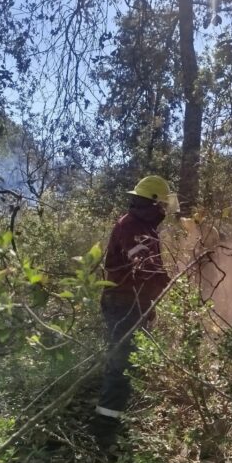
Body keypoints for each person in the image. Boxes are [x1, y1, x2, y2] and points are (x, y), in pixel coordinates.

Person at [92, 175, 172, 447]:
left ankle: (119, 419)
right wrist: (169, 283)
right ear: (152, 203)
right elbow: (145, 265)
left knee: (131, 361)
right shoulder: (132, 226)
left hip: (134, 303)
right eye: (161, 205)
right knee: (121, 364)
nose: (164, 210)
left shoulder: (143, 225)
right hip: (123, 304)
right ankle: (104, 431)